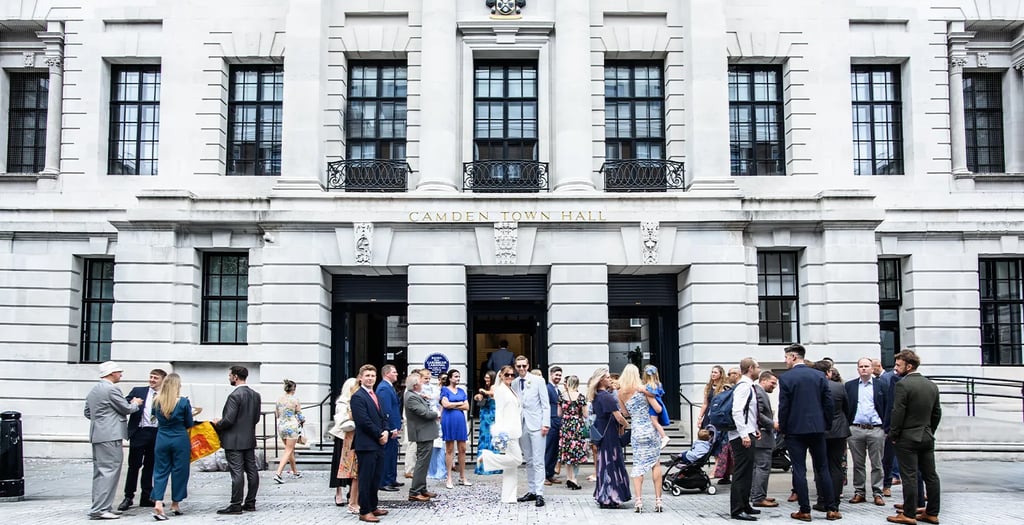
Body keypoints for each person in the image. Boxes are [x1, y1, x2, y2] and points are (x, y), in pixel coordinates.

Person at [778, 344, 838, 522]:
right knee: (822, 468)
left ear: (794, 357)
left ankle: (805, 510)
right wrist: (826, 424)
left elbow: (784, 406)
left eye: (787, 357)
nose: (785, 360)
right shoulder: (819, 375)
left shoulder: (786, 378)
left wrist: (783, 427)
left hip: (795, 430)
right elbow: (828, 403)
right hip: (817, 428)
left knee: (799, 469)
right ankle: (832, 508)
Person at [887, 349, 941, 525]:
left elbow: (898, 412)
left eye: (898, 365)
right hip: (926, 436)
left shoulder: (903, 385)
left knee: (909, 475)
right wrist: (929, 430)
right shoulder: (931, 385)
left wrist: (893, 434)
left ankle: (909, 514)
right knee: (930, 475)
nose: (895, 368)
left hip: (907, 437)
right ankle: (932, 512)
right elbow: (936, 413)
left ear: (909, 366)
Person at [84, 361, 143, 520]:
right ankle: (100, 509)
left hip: (97, 434)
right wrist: (135, 403)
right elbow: (126, 409)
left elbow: (88, 413)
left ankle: (101, 506)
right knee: (109, 471)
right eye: (118, 372)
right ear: (111, 373)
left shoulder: (95, 390)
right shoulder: (111, 389)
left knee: (100, 472)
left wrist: (102, 419)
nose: (120, 374)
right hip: (110, 434)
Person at [212, 365, 262, 515]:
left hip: (233, 440)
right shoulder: (255, 395)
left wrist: (217, 424)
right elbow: (256, 418)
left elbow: (228, 420)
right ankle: (250, 502)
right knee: (252, 470)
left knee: (237, 472)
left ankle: (235, 504)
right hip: (249, 438)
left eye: (230, 376)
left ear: (235, 377)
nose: (229, 378)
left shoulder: (234, 396)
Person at [118, 368, 167, 512]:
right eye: (151, 377)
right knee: (134, 466)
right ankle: (128, 496)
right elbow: (124, 404)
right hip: (139, 432)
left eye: (155, 378)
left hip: (156, 432)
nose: (152, 380)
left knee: (150, 466)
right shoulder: (138, 391)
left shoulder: (166, 395)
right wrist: (132, 402)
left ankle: (146, 496)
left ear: (162, 380)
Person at [618, 364, 665, 513]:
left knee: (638, 465)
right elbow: (657, 409)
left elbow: (625, 413)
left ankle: (638, 502)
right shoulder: (643, 389)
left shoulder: (620, 393)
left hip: (637, 431)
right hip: (650, 429)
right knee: (655, 464)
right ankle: (658, 501)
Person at [844, 357, 889, 506]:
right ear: (857, 369)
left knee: (877, 463)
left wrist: (886, 428)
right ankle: (859, 492)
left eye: (866, 366)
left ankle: (878, 492)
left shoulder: (881, 385)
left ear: (872, 369)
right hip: (856, 428)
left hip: (876, 429)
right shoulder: (849, 386)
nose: (864, 368)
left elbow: (889, 406)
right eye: (861, 366)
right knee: (858, 463)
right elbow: (845, 407)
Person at [150, 373, 194, 520]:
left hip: (162, 437)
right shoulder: (183, 402)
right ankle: (175, 503)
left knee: (160, 471)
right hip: (179, 438)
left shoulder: (156, 401)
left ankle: (158, 501)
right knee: (180, 471)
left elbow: (153, 417)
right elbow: (189, 423)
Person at [479, 365, 525, 503]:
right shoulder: (500, 390)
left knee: (511, 467)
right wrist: (500, 431)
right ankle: (487, 458)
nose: (510, 377)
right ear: (501, 376)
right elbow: (499, 412)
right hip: (507, 431)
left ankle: (509, 497)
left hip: (515, 430)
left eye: (512, 375)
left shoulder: (510, 389)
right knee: (517, 460)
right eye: (507, 375)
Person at [350, 364, 389, 523]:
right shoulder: (358, 397)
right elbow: (363, 421)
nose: (370, 378)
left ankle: (373, 506)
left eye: (372, 375)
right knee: (365, 479)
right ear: (360, 378)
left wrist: (386, 430)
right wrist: (379, 434)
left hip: (379, 443)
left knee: (376, 477)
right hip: (366, 444)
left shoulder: (376, 395)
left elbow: (383, 416)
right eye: (367, 375)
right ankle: (365, 511)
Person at [512, 355, 550, 507]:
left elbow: (545, 404)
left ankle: (540, 492)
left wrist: (545, 423)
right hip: (522, 425)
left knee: (538, 460)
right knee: (528, 460)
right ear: (515, 367)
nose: (521, 369)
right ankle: (532, 490)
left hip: (537, 423)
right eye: (519, 366)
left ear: (528, 366)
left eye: (524, 366)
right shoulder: (514, 383)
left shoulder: (538, 381)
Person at [589, 367, 631, 509]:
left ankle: (605, 495)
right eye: (607, 377)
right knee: (611, 464)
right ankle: (611, 496)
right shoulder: (605, 397)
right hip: (609, 435)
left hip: (602, 432)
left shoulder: (597, 396)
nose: (610, 379)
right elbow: (618, 417)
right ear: (601, 379)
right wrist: (628, 425)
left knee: (604, 464)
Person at [814, 361, 850, 516]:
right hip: (839, 431)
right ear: (828, 372)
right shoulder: (840, 387)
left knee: (821, 466)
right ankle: (835, 501)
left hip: (820, 430)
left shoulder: (813, 388)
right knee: (836, 466)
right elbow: (848, 408)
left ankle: (823, 500)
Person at [727, 358, 761, 522]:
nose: (759, 370)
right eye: (758, 367)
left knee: (747, 471)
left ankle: (745, 504)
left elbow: (750, 413)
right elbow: (737, 411)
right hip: (741, 436)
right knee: (741, 472)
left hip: (748, 432)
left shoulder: (748, 386)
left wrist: (754, 429)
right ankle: (737, 509)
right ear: (750, 368)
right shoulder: (744, 387)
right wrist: (744, 434)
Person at [404, 372, 439, 502]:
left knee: (424, 463)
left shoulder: (415, 395)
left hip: (425, 433)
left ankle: (422, 488)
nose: (423, 384)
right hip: (422, 433)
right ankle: (415, 491)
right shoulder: (412, 397)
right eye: (420, 382)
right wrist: (436, 414)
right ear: (415, 385)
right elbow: (424, 413)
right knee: (421, 463)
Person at [329, 378, 360, 513]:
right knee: (339, 464)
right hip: (342, 436)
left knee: (353, 466)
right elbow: (341, 420)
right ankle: (338, 492)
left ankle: (351, 493)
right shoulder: (342, 402)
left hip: (354, 436)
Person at [750, 371, 779, 508]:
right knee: (762, 467)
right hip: (762, 437)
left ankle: (756, 494)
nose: (774, 386)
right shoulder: (760, 393)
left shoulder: (759, 392)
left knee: (758, 468)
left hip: (760, 437)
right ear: (764, 380)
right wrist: (773, 424)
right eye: (773, 383)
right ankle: (758, 497)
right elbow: (758, 414)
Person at [873, 358, 901, 495]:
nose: (895, 368)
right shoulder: (886, 380)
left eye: (898, 365)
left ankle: (888, 482)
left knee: (888, 457)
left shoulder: (888, 380)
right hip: (886, 425)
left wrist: (888, 425)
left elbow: (890, 405)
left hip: (890, 426)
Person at [440, 368, 471, 489]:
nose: (457, 379)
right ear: (450, 378)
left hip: (460, 420)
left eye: (459, 377)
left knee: (462, 448)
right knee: (449, 448)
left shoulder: (462, 391)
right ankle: (449, 477)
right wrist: (459, 403)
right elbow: (445, 405)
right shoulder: (444, 390)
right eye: (455, 376)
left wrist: (453, 405)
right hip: (449, 420)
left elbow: (467, 406)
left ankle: (463, 476)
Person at [557, 374, 588, 490]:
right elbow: (585, 414)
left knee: (566, 452)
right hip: (577, 426)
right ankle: (574, 479)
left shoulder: (562, 396)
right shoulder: (581, 397)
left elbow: (559, 414)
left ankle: (569, 478)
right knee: (575, 452)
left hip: (565, 426)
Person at [376, 365, 403, 492]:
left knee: (392, 454)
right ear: (387, 374)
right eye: (394, 372)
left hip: (394, 426)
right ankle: (384, 481)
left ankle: (391, 478)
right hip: (389, 427)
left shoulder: (389, 387)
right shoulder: (384, 388)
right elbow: (386, 410)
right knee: (387, 455)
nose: (397, 374)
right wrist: (391, 428)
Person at [273, 379, 305, 484]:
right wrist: (302, 420)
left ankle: (295, 471)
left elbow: (277, 414)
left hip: (281, 426)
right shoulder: (295, 400)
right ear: (294, 389)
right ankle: (278, 473)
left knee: (289, 449)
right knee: (288, 450)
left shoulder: (279, 399)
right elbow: (300, 415)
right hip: (292, 426)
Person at [714, 368, 740, 485]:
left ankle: (734, 476)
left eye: (733, 373)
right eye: (729, 374)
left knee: (732, 453)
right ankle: (725, 475)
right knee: (725, 452)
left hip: (733, 425)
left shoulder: (739, 388)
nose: (731, 375)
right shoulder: (726, 390)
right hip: (725, 425)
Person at [474, 370, 502, 475]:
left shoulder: (494, 387)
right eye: (485, 377)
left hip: (491, 415)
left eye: (488, 378)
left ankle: (490, 467)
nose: (486, 380)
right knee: (484, 439)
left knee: (490, 439)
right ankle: (483, 466)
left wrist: (484, 392)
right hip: (484, 415)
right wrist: (478, 396)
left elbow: (493, 394)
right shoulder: (487, 387)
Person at [426, 372, 447, 480]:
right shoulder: (434, 389)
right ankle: (433, 470)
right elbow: (432, 402)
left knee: (442, 446)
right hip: (436, 419)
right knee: (435, 446)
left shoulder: (448, 390)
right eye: (442, 379)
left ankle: (442, 470)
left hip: (445, 419)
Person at [544, 365, 563, 485]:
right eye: (556, 375)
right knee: (549, 449)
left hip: (558, 421)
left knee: (555, 449)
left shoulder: (558, 390)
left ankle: (550, 474)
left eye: (560, 375)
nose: (558, 377)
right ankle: (544, 475)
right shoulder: (547, 388)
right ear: (551, 375)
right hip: (550, 420)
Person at [643, 365, 670, 448]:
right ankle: (661, 436)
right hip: (659, 403)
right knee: (655, 422)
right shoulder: (658, 384)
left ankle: (664, 437)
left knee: (654, 422)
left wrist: (642, 390)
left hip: (653, 406)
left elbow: (652, 394)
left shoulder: (649, 386)